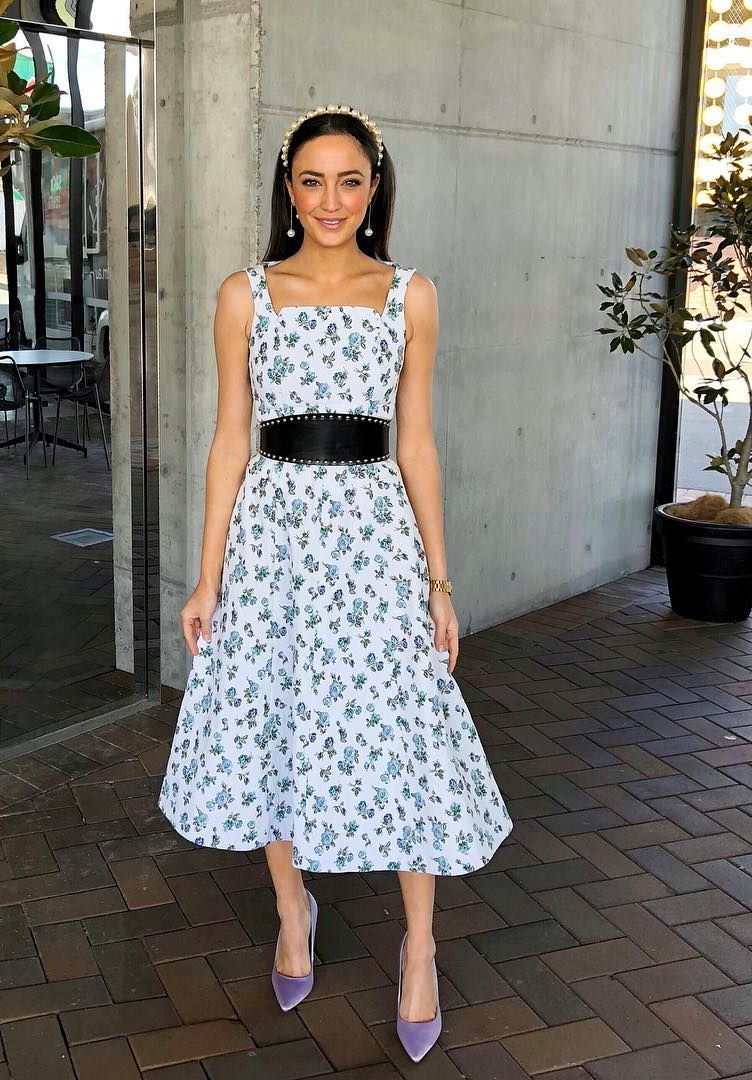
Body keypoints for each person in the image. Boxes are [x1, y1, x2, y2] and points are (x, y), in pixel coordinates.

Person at [157, 104, 514, 1063]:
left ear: (374, 188)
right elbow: (229, 440)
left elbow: (418, 444)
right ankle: (292, 911)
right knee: (274, 717)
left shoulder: (409, 295)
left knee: (403, 728)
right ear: (288, 189)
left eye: (349, 180)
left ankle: (419, 946)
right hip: (272, 538)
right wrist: (207, 576)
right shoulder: (246, 295)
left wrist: (439, 580)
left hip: (373, 540)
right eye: (312, 181)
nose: (330, 200)